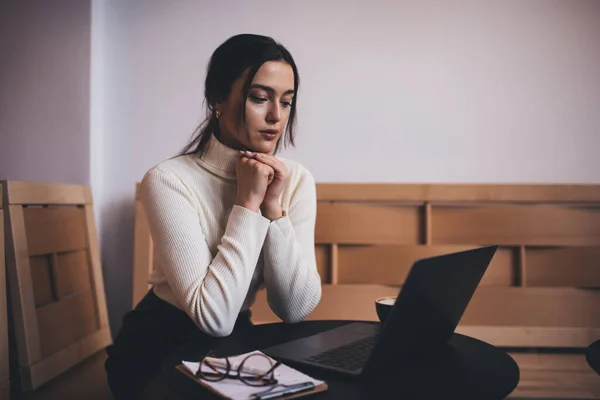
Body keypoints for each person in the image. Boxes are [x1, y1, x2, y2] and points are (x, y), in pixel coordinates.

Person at [104, 33, 322, 399]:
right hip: (155, 347)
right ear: (218, 100)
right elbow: (214, 317)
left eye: (286, 102)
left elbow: (294, 307)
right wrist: (247, 204)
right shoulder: (168, 180)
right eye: (259, 98)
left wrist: (273, 208)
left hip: (232, 341)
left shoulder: (294, 180)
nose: (276, 116)